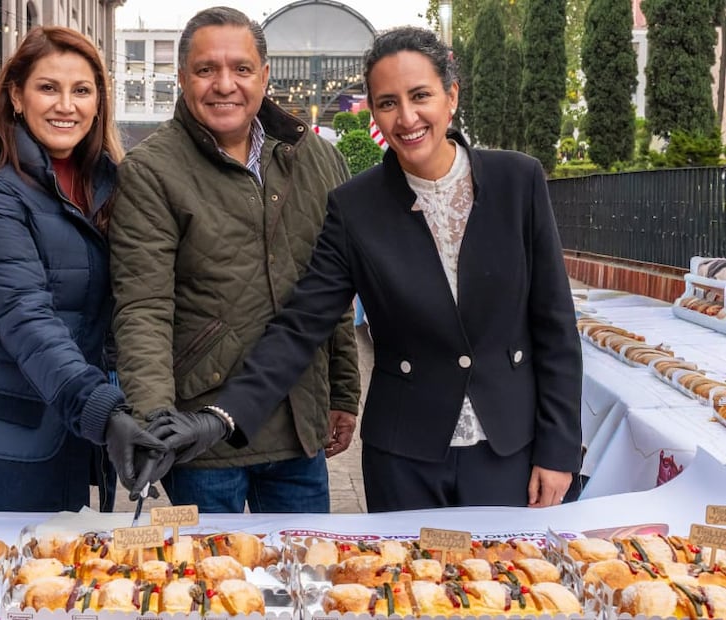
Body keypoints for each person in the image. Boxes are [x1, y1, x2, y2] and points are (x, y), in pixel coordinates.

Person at [143, 26, 584, 512]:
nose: (408, 117)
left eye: (421, 96)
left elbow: (555, 328)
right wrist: (221, 416)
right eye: (388, 102)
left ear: (450, 96)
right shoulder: (357, 207)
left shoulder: (518, 180)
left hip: (511, 449)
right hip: (406, 456)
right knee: (403, 585)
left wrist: (559, 450)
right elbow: (301, 325)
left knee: (506, 584)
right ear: (373, 111)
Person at [109, 6, 361, 513]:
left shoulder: (315, 158)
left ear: (264, 75)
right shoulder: (151, 171)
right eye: (206, 70)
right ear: (182, 78)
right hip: (204, 439)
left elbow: (331, 292)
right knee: (211, 583)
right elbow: (144, 307)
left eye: (241, 69)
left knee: (300, 579)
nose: (225, 85)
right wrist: (157, 419)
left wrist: (343, 393)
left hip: (298, 426)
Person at [0, 26, 164, 512]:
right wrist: (103, 411)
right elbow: (25, 317)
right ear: (16, 96)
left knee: (54, 580)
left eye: (82, 90)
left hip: (66, 427)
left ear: (98, 103)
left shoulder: (109, 183)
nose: (65, 106)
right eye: (48, 87)